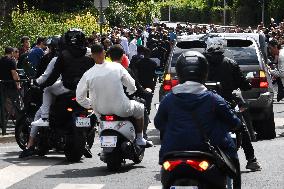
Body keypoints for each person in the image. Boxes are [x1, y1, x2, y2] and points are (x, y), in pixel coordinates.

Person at [154, 51, 241, 188]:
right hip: (207, 152)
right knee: (233, 158)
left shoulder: (169, 99)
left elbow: (158, 123)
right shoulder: (214, 99)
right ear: (204, 72)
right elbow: (234, 122)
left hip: (172, 154)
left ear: (180, 73)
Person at [76, 44, 152, 147]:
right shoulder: (117, 67)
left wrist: (92, 104)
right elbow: (132, 86)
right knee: (140, 108)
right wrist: (130, 92)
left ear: (92, 56)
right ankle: (139, 138)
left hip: (100, 111)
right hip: (121, 108)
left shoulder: (88, 74)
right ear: (104, 53)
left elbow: (80, 97)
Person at [205, 41, 261, 171]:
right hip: (226, 102)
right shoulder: (231, 63)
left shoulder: (202, 64)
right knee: (241, 127)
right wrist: (247, 84)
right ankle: (251, 159)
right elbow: (244, 84)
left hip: (205, 103)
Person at [268, 39, 284, 137]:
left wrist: (271, 71)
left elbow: (282, 73)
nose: (270, 51)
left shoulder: (281, 56)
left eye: (270, 48)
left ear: (275, 47)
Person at [0, 47, 21, 123]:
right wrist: (18, 84)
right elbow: (14, 74)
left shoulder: (1, 60)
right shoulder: (11, 61)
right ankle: (19, 122)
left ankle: (2, 122)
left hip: (2, 86)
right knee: (16, 103)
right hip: (11, 86)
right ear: (12, 52)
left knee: (3, 104)